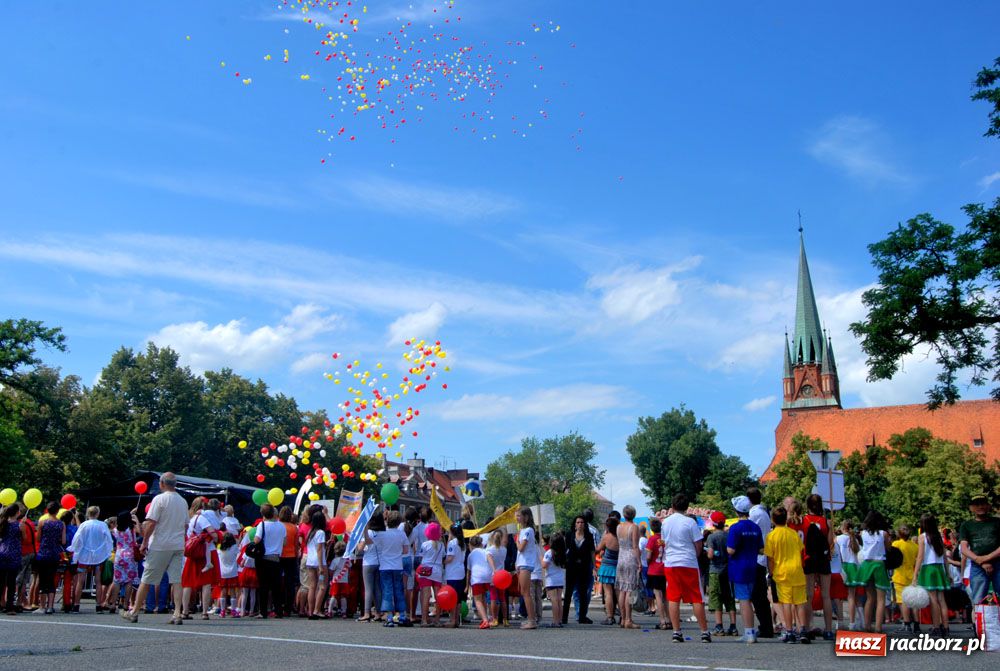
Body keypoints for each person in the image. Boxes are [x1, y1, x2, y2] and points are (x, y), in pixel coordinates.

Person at [661, 494, 711, 643]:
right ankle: (704, 632)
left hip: (671, 562)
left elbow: (664, 542)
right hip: (688, 562)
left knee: (673, 597)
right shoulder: (690, 522)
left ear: (673, 506)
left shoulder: (665, 522)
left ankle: (676, 632)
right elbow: (698, 544)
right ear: (687, 507)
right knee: (697, 598)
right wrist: (695, 555)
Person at [764, 506, 810, 645]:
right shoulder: (793, 534)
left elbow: (770, 558)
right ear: (786, 519)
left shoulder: (771, 536)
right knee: (800, 603)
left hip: (781, 572)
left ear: (773, 519)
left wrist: (771, 572)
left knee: (786, 603)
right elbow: (801, 551)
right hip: (797, 570)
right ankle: (803, 630)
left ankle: (789, 631)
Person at [727, 495, 764, 644]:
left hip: (739, 567)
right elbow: (761, 549)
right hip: (753, 565)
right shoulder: (755, 527)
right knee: (749, 598)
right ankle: (749, 631)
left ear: (736, 511)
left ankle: (749, 632)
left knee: (744, 600)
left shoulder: (735, 528)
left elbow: (730, 550)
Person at [67, 506, 113, 613]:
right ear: (97, 514)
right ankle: (98, 606)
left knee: (80, 581)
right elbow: (109, 539)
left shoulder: (84, 525)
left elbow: (77, 539)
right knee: (98, 581)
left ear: (88, 514)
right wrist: (107, 551)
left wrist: (74, 550)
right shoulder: (102, 525)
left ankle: (76, 605)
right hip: (98, 556)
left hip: (84, 555)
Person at [802, 494, 834, 640]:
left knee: (808, 595)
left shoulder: (803, 520)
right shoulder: (827, 522)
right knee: (826, 595)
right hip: (823, 559)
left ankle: (808, 627)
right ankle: (828, 630)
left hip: (808, 559)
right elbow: (830, 543)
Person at [181, 498, 220, 620]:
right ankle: (204, 612)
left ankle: (185, 611)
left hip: (192, 552)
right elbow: (213, 533)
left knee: (188, 582)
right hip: (205, 552)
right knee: (206, 583)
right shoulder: (203, 518)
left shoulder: (190, 519)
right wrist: (216, 537)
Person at [959, 493, 1000, 606]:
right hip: (977, 566)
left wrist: (986, 558)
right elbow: (964, 548)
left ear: (988, 506)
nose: (980, 507)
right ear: (971, 508)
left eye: (983, 504)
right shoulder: (966, 525)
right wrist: (980, 561)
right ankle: (978, 618)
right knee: (978, 600)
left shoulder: (997, 522)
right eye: (977, 505)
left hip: (998, 563)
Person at [370, 509, 410, 627]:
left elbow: (371, 542)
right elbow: (406, 550)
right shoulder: (402, 534)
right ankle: (402, 615)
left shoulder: (383, 534)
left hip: (385, 566)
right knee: (399, 590)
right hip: (397, 566)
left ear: (387, 520)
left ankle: (389, 617)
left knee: (387, 591)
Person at [912, 513, 949, 637]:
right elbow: (944, 557)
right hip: (939, 568)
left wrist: (915, 574)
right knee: (941, 600)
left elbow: (920, 557)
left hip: (928, 568)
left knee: (933, 599)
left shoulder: (922, 537)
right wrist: (948, 572)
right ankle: (946, 627)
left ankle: (936, 627)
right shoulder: (938, 536)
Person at [746, 487, 774, 638]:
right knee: (760, 596)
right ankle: (766, 626)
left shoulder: (754, 514)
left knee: (758, 596)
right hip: (761, 557)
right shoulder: (764, 513)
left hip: (756, 557)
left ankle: (766, 627)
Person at [857, 510, 891, 633]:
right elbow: (888, 548)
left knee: (870, 598)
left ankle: (867, 625)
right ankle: (878, 627)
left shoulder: (863, 533)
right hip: (879, 564)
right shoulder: (883, 534)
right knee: (881, 599)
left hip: (867, 564)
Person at [252, 503, 286, 619]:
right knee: (276, 586)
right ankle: (278, 610)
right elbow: (284, 542)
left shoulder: (262, 525)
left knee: (263, 586)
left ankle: (263, 611)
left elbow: (257, 540)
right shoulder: (281, 526)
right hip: (276, 557)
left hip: (263, 557)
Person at [706, 511, 737, 636]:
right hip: (729, 570)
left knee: (716, 598)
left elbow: (710, 555)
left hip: (715, 570)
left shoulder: (711, 537)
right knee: (729, 598)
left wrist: (707, 553)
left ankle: (719, 626)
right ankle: (733, 626)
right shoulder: (729, 535)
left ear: (713, 524)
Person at [562, 515, 595, 625]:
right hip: (571, 566)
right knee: (568, 593)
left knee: (583, 593)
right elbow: (565, 550)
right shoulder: (569, 535)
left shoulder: (589, 536)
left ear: (585, 524)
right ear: (575, 524)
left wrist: (594, 566)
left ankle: (582, 617)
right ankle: (564, 617)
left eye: (582, 522)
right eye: (578, 522)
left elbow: (592, 552)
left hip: (584, 567)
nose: (580, 524)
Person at [615, 505, 643, 629]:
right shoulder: (634, 527)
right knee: (630, 589)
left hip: (621, 558)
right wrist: (639, 562)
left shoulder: (618, 527)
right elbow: (635, 546)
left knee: (622, 589)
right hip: (630, 558)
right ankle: (628, 619)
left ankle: (622, 618)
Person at [107, 511, 140, 615]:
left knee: (117, 580)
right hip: (130, 556)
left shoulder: (116, 530)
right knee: (129, 581)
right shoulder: (131, 529)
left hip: (119, 555)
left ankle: (113, 604)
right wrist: (136, 519)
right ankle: (126, 604)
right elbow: (139, 531)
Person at [514, 506, 539, 630]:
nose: (517, 518)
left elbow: (521, 548)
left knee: (526, 593)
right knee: (524, 592)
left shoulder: (528, 530)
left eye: (519, 515)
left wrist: (516, 541)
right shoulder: (523, 530)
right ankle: (531, 618)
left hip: (526, 563)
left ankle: (532, 620)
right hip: (522, 563)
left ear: (526, 517)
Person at [891, 524, 919, 633]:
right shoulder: (914, 546)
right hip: (911, 575)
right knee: (913, 601)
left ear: (899, 533)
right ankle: (916, 624)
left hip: (899, 575)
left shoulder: (896, 544)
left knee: (903, 601)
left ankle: (907, 623)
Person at [835, 519, 861, 630]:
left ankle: (840, 622)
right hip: (853, 567)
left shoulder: (838, 538)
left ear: (843, 527)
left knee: (839, 597)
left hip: (842, 566)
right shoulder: (855, 539)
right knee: (851, 597)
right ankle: (852, 623)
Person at [358, 513, 383, 622]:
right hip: (380, 562)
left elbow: (360, 548)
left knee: (368, 589)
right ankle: (378, 612)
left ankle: (367, 613)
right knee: (378, 588)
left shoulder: (368, 533)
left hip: (368, 562)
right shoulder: (384, 533)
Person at [644, 517, 669, 630]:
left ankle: (662, 621)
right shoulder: (664, 539)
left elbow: (649, 556)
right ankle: (669, 619)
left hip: (654, 569)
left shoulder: (652, 539)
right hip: (665, 568)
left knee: (658, 596)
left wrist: (648, 562)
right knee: (666, 596)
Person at [595, 516, 620, 626]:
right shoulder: (621, 538)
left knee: (608, 594)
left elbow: (597, 549)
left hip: (607, 568)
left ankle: (610, 617)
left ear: (607, 527)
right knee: (619, 594)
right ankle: (623, 617)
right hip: (618, 567)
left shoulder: (606, 537)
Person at [303, 511, 327, 619]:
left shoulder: (310, 532)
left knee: (312, 587)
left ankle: (310, 611)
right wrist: (321, 566)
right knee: (322, 586)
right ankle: (317, 610)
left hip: (310, 561)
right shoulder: (321, 532)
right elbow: (319, 549)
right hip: (319, 562)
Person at [467, 535, 495, 629]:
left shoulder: (471, 555)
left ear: (471, 545)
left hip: (477, 577)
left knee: (478, 600)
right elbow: (490, 558)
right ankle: (487, 617)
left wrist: (467, 585)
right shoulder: (485, 551)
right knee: (484, 598)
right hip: (488, 576)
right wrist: (494, 571)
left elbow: (469, 571)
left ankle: (485, 620)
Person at [278, 506, 300, 617]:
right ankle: (288, 608)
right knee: (290, 583)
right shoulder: (294, 528)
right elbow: (296, 545)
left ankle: (278, 605)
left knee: (278, 581)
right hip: (291, 556)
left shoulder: (278, 526)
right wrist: (296, 556)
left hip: (279, 555)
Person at [443, 524, 467, 628]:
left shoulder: (452, 543)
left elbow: (450, 558)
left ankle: (452, 620)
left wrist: (442, 562)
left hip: (452, 573)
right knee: (458, 598)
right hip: (460, 572)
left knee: (452, 597)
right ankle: (456, 619)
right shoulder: (463, 543)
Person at [0, 504, 21, 614]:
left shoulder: (3, 523)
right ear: (17, 512)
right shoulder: (18, 525)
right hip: (14, 554)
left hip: (2, 552)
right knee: (11, 583)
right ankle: (9, 606)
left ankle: (1, 604)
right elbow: (24, 538)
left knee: (1, 581)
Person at [543, 531, 566, 627]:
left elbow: (544, 565)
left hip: (551, 580)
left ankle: (555, 621)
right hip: (560, 579)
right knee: (559, 600)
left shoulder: (549, 553)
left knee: (554, 601)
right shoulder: (563, 552)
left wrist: (541, 558)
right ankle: (559, 620)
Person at [487, 529, 509, 626]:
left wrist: (494, 570)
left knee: (493, 598)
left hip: (493, 576)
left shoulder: (489, 550)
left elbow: (490, 562)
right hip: (502, 575)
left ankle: (495, 619)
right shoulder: (504, 549)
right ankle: (505, 619)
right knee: (502, 598)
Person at [327, 540, 352, 617]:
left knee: (333, 596)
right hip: (345, 581)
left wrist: (330, 576)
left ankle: (329, 611)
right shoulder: (347, 560)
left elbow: (331, 571)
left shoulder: (335, 561)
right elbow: (349, 569)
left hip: (336, 581)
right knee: (343, 596)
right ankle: (344, 612)